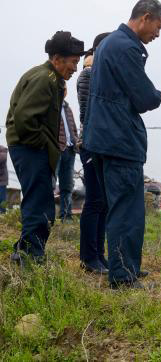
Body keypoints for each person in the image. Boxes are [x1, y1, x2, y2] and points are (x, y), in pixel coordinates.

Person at [84, 0, 161, 289]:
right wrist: (158, 94)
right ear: (145, 18)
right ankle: (123, 276)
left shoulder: (109, 43)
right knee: (127, 211)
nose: (157, 35)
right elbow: (145, 97)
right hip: (119, 139)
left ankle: (126, 266)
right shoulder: (125, 47)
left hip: (105, 137)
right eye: (158, 27)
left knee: (119, 208)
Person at [5, 31, 84, 264]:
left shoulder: (50, 78)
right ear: (57, 58)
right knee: (40, 205)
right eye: (73, 62)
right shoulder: (44, 79)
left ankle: (25, 252)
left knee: (39, 202)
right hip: (30, 149)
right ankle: (31, 257)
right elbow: (24, 118)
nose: (75, 68)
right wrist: (41, 146)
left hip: (32, 149)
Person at [77, 32, 110, 274]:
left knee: (104, 202)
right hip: (90, 143)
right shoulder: (89, 74)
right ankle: (89, 257)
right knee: (95, 200)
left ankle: (99, 254)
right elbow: (89, 112)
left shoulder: (100, 73)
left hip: (103, 144)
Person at [55, 88, 78, 222]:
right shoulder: (52, 106)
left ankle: (66, 216)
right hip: (58, 149)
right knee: (51, 183)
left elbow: (73, 128)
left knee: (67, 185)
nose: (62, 91)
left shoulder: (68, 107)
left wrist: (76, 142)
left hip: (70, 150)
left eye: (64, 89)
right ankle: (48, 215)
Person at [0, 145, 7, 213]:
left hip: (2, 181)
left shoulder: (3, 149)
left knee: (2, 199)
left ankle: (3, 213)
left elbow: (2, 159)